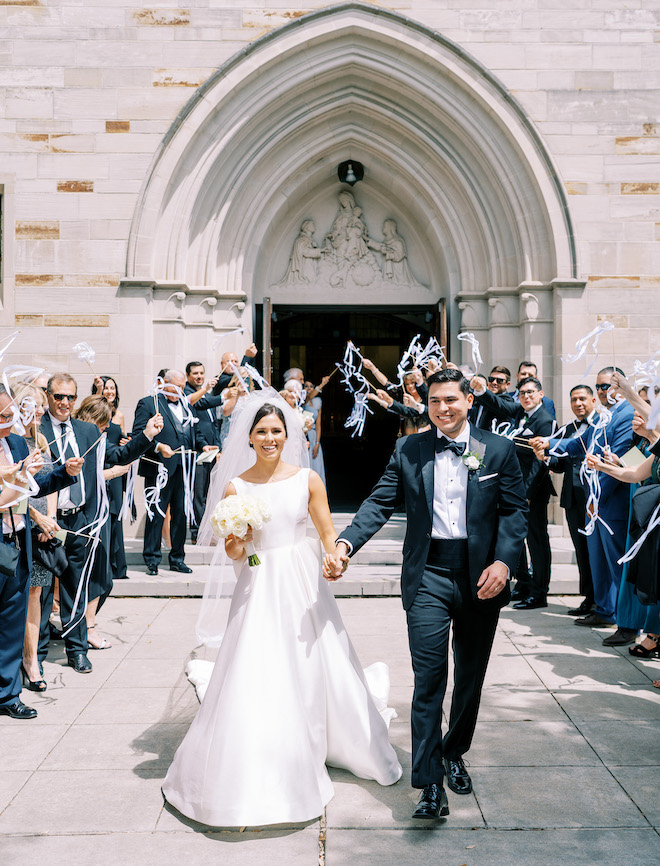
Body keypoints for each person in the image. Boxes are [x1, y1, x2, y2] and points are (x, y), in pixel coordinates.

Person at [162, 391, 402, 827]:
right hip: (257, 582)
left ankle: (321, 737)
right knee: (257, 664)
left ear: (287, 435)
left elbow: (327, 532)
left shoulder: (307, 479)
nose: (269, 438)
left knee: (312, 661)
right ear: (249, 438)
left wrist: (335, 561)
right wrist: (239, 535)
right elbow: (235, 552)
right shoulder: (236, 485)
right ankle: (260, 750)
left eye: (276, 431)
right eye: (261, 432)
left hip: (300, 579)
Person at [326, 369, 528, 819]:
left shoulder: (497, 450)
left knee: (470, 675)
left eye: (451, 400)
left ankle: (454, 751)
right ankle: (429, 781)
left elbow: (515, 512)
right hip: (428, 575)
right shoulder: (409, 448)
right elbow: (379, 501)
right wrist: (345, 543)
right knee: (429, 678)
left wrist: (504, 562)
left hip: (482, 577)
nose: (443, 409)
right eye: (435, 401)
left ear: (469, 400)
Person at [0, 382, 83, 718]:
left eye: (11, 414)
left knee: (11, 622)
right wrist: (17, 476)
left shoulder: (17, 442)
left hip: (18, 543)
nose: (11, 421)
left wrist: (64, 473)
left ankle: (8, 694)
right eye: (4, 415)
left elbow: (35, 486)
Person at [533, 367, 634, 628]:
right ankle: (605, 610)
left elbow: (619, 462)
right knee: (598, 561)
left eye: (607, 386)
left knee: (616, 564)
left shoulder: (626, 414)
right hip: (595, 503)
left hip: (612, 502)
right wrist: (548, 443)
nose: (602, 391)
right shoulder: (603, 417)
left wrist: (595, 499)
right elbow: (578, 444)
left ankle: (627, 622)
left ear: (621, 386)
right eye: (599, 386)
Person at [74, 395, 163, 646]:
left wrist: (147, 434)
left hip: (102, 513)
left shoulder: (100, 440)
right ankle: (84, 627)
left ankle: (86, 624)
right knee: (88, 575)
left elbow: (122, 453)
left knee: (104, 578)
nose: (106, 430)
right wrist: (110, 473)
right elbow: (78, 477)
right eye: (103, 424)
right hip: (80, 516)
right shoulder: (77, 439)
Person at [39, 373, 106, 674]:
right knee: (39, 590)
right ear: (48, 396)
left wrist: (146, 438)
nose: (65, 402)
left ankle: (76, 650)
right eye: (58, 396)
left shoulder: (88, 431)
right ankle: (37, 654)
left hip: (78, 519)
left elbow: (109, 461)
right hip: (45, 522)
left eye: (70, 397)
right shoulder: (35, 429)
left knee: (75, 588)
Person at [471, 374, 555, 609]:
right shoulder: (518, 413)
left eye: (531, 392)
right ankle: (524, 585)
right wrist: (480, 390)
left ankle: (539, 593)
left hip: (533, 491)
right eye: (522, 393)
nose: (526, 396)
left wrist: (526, 495)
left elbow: (540, 463)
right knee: (517, 538)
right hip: (516, 488)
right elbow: (497, 404)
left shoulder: (544, 420)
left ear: (541, 394)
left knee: (537, 541)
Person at [14, 382, 65, 691]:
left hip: (42, 526)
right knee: (15, 593)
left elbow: (49, 484)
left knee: (36, 593)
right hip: (18, 523)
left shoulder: (41, 440)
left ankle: (31, 659)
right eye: (34, 406)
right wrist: (36, 516)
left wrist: (51, 519)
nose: (41, 412)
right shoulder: (9, 442)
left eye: (42, 407)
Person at [132, 370, 194, 576]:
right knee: (156, 513)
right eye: (176, 387)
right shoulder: (148, 403)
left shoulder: (185, 404)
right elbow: (138, 435)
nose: (180, 392)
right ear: (163, 383)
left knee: (180, 513)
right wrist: (158, 446)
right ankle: (152, 559)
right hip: (158, 466)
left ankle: (177, 558)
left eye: (183, 388)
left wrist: (202, 446)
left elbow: (191, 431)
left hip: (183, 467)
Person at [545, 385, 597, 617]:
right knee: (582, 551)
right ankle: (589, 598)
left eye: (582, 398)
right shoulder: (568, 429)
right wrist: (546, 459)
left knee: (598, 552)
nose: (578, 403)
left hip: (596, 499)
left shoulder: (601, 426)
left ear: (593, 401)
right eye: (574, 399)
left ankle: (602, 600)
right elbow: (559, 464)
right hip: (573, 499)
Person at [184, 362, 223, 543]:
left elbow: (213, 425)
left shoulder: (206, 394)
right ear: (188, 375)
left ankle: (207, 530)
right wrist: (224, 397)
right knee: (198, 493)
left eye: (201, 373)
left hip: (211, 451)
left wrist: (217, 447)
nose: (199, 376)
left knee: (207, 492)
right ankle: (198, 532)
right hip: (198, 451)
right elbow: (200, 404)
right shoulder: (187, 393)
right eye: (195, 373)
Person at [470, 366, 514, 430]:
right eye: (491, 379)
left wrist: (481, 390)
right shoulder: (481, 396)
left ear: (507, 384)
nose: (494, 382)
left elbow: (494, 402)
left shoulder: (507, 400)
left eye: (499, 381)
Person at [304, 379, 326, 485]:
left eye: (311, 386)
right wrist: (321, 384)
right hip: (304, 435)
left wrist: (317, 443)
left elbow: (318, 425)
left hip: (313, 437)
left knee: (316, 467)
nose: (308, 388)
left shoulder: (318, 402)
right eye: (306, 386)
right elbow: (309, 397)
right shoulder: (302, 400)